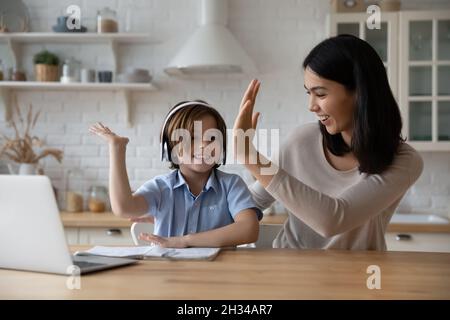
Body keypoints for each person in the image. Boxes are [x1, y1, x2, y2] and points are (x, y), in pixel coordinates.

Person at [233, 35, 423, 250]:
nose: (311, 106)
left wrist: (250, 157)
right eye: (308, 93)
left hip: (356, 278)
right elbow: (252, 201)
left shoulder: (404, 160)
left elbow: (333, 219)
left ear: (360, 92)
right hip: (287, 272)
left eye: (320, 94)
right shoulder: (301, 140)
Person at [90, 100, 261, 248]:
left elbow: (249, 229)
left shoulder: (231, 185)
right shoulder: (160, 187)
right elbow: (124, 208)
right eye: (192, 137)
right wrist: (117, 148)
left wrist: (184, 241)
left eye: (212, 138)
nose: (203, 145)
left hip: (220, 275)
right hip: (169, 276)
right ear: (169, 147)